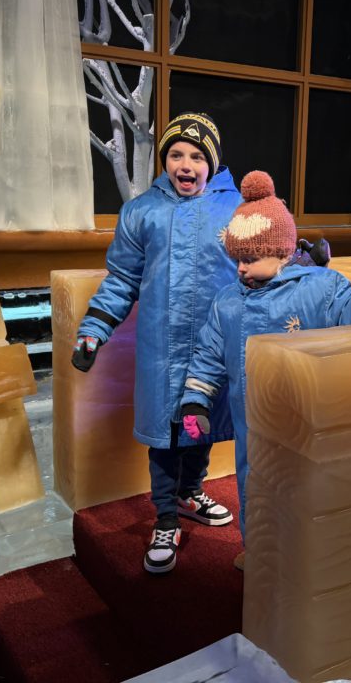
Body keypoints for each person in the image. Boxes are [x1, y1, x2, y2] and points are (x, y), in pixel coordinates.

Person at [178, 171, 351, 570]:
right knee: (252, 484)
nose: (241, 269)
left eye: (250, 258)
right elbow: (208, 355)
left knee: (305, 487)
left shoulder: (318, 288)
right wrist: (196, 403)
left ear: (281, 252)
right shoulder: (227, 302)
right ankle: (259, 551)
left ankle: (310, 562)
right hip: (251, 421)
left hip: (304, 418)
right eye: (237, 260)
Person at [73, 112, 241, 575]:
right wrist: (94, 330)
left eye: (195, 155)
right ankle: (166, 517)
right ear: (165, 160)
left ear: (211, 161)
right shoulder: (142, 211)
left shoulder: (237, 210)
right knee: (167, 434)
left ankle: (190, 494)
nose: (185, 164)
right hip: (161, 349)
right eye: (175, 154)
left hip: (213, 348)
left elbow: (264, 264)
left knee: (198, 423)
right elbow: (122, 279)